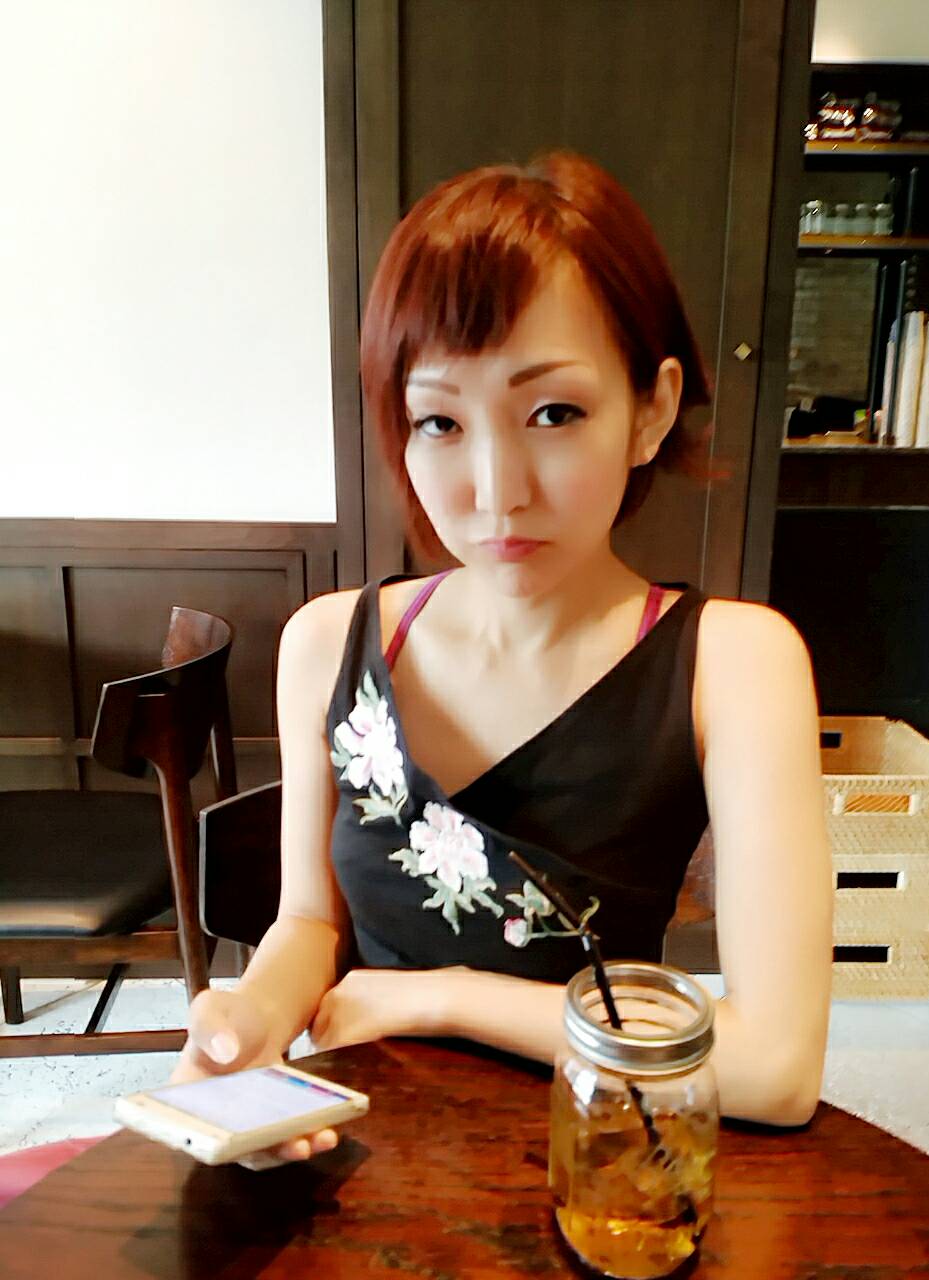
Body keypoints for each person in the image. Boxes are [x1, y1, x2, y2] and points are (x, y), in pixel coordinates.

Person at [173, 151, 833, 1163]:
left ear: (651, 409)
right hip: (365, 1154)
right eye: (440, 420)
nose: (495, 489)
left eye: (553, 412)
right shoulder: (329, 642)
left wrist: (449, 998)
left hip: (600, 1162)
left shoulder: (736, 663)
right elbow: (309, 920)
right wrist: (250, 1022)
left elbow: (778, 1068)